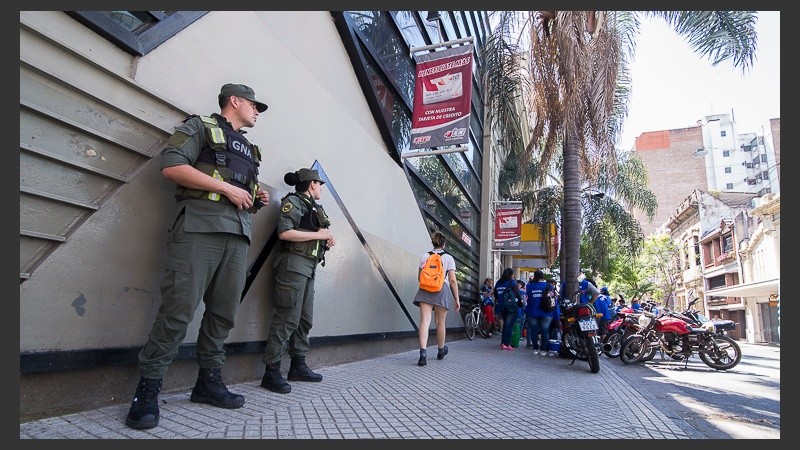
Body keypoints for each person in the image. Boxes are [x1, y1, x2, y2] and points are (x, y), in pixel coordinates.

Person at [125, 83, 270, 430]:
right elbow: (171, 166)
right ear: (233, 101)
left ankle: (208, 383)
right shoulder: (200, 127)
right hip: (198, 228)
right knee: (178, 310)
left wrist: (254, 196)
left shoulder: (250, 149)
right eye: (254, 105)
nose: (257, 112)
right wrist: (226, 188)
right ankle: (147, 391)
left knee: (223, 315)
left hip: (237, 236)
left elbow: (240, 192)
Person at [260, 167, 336, 393]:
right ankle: (271, 371)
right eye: (319, 184)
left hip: (309, 266)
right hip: (293, 265)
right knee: (287, 318)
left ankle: (298, 365)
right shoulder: (293, 202)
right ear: (312, 184)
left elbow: (315, 233)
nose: (321, 188)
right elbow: (285, 233)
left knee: (304, 319)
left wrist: (326, 241)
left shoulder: (313, 206)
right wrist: (319, 235)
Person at [412, 231, 460, 366]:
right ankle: (440, 350)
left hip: (425, 289)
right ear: (444, 244)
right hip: (441, 289)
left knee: (425, 321)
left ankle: (422, 353)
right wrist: (457, 299)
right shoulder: (449, 258)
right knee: (440, 323)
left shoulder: (425, 256)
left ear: (433, 243)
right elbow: (452, 281)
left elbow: (419, 277)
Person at [524, 270, 554, 356]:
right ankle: (543, 350)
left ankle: (535, 349)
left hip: (532, 311)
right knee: (545, 331)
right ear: (543, 277)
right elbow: (552, 297)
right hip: (546, 312)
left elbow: (526, 298)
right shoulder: (548, 285)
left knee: (534, 330)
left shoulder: (529, 286)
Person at [494, 267, 522, 350]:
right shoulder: (513, 283)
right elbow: (517, 294)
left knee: (505, 324)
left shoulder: (498, 283)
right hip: (511, 307)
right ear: (511, 275)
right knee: (509, 325)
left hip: (501, 306)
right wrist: (519, 304)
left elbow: (495, 294)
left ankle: (503, 343)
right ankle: (506, 344)